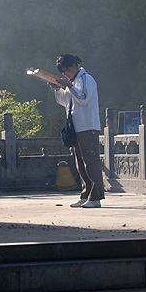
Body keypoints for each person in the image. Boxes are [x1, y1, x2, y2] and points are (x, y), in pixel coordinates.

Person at [51, 54, 105, 208]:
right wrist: (58, 89)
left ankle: (96, 197)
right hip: (76, 127)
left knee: (91, 162)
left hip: (88, 126)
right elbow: (64, 101)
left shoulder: (87, 79)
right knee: (80, 163)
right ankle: (86, 194)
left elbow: (83, 98)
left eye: (65, 70)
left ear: (73, 66)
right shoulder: (72, 82)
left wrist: (68, 86)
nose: (64, 74)